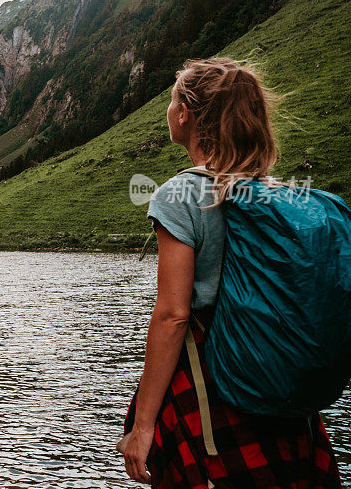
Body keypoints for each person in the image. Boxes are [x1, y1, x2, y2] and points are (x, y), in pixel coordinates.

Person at [120, 58, 342, 488]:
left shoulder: (180, 194)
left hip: (213, 382)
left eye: (171, 100)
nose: (168, 110)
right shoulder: (274, 191)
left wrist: (143, 426)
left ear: (185, 113)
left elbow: (173, 316)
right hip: (274, 377)